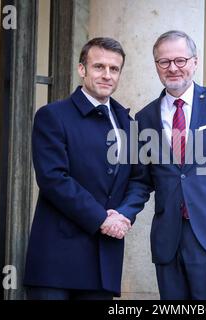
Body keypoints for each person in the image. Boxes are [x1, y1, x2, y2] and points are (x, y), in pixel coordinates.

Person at [111, 30, 206, 300]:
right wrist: (124, 213)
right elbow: (142, 181)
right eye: (164, 62)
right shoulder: (145, 117)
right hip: (169, 241)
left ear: (195, 61)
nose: (173, 68)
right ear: (156, 65)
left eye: (180, 60)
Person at [23, 37, 133, 300]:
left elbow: (138, 180)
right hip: (56, 262)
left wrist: (124, 216)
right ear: (82, 69)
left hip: (103, 260)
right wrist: (102, 218)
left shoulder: (129, 123)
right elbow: (53, 179)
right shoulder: (52, 115)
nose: (107, 75)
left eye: (114, 69)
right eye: (99, 67)